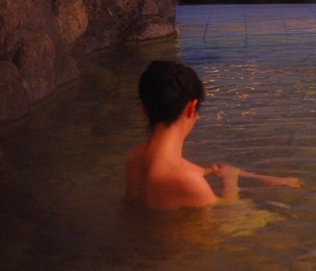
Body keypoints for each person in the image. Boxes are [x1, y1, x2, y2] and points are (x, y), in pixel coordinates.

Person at [126, 60, 300, 210]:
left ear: (144, 110)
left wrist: (265, 179)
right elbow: (231, 215)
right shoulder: (186, 181)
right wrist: (230, 182)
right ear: (191, 108)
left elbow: (194, 171)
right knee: (264, 215)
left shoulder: (137, 158)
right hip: (185, 246)